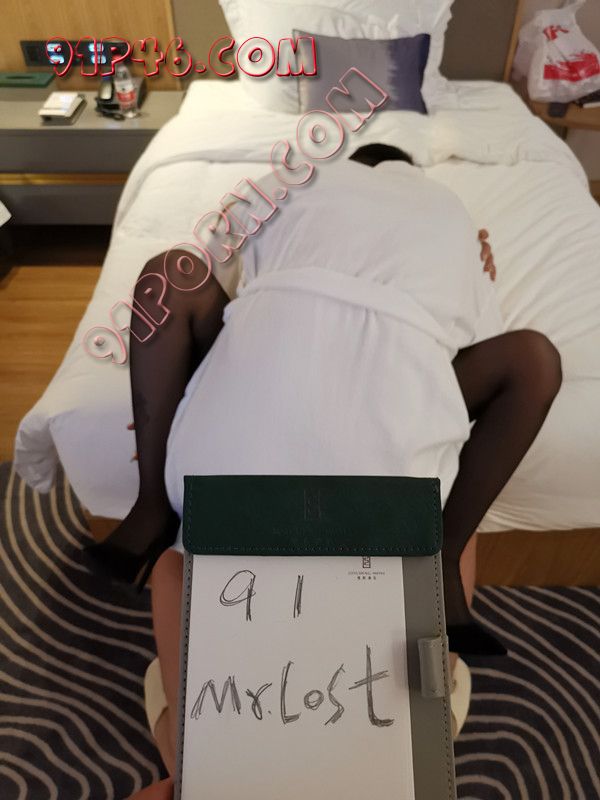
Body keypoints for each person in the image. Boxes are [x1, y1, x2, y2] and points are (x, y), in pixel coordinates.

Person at [87, 144, 561, 798]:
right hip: (380, 491)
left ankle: (149, 508)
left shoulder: (297, 178)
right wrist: (481, 272)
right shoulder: (449, 214)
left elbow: (217, 249)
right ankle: (444, 556)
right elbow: (475, 339)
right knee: (528, 363)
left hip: (231, 471)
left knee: (171, 274)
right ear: (410, 173)